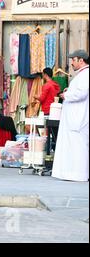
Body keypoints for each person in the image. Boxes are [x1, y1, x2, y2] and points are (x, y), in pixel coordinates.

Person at [52, 50, 89, 182]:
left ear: (81, 60)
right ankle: (71, 173)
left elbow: (82, 93)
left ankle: (78, 174)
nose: (71, 63)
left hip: (78, 118)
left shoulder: (85, 74)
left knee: (78, 147)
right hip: (75, 117)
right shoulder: (82, 75)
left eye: (73, 60)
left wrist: (65, 95)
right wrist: (69, 91)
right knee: (73, 146)